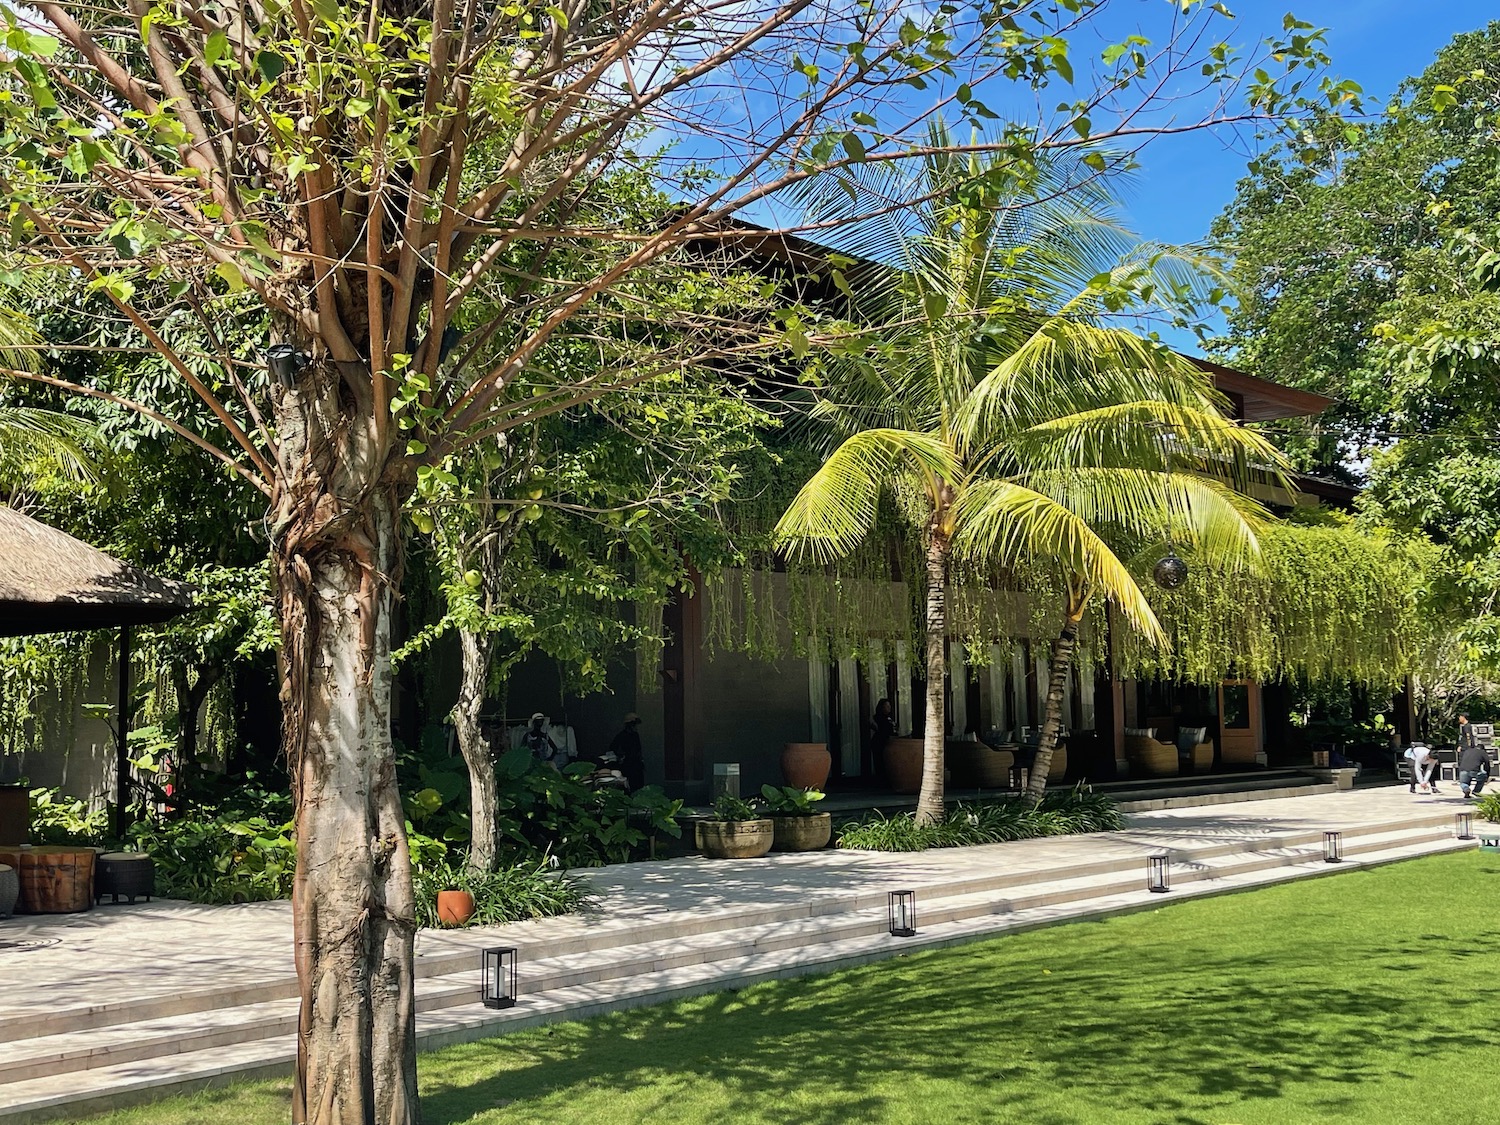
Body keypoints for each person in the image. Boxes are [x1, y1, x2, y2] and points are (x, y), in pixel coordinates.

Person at [608, 712, 645, 791]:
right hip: (627, 765)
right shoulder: (622, 736)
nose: (634, 726)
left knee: (638, 785)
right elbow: (613, 747)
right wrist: (620, 756)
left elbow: (638, 749)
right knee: (629, 786)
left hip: (637, 764)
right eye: (633, 724)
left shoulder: (635, 735)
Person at [1457, 714, 1489, 798]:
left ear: (1464, 717)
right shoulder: (1464, 726)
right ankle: (1476, 791)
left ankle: (1466, 788)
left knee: (1464, 780)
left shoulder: (1467, 726)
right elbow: (1487, 764)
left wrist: (1467, 748)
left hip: (1466, 751)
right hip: (1472, 768)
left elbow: (1468, 738)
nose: (1459, 718)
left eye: (1460, 717)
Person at [868, 698, 895, 782]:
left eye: (889, 706)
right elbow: (880, 728)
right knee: (879, 761)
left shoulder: (889, 718)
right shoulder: (878, 717)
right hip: (879, 742)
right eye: (886, 706)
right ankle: (880, 780)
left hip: (887, 742)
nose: (889, 708)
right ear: (882, 707)